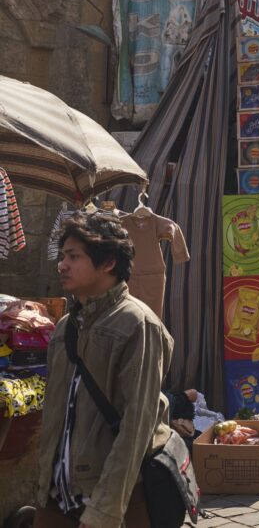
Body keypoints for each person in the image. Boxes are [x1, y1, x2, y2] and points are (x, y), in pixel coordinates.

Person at [35, 212, 173, 527]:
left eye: (74, 256)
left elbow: (136, 427)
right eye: (62, 256)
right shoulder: (65, 328)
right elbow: (55, 416)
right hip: (56, 495)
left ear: (108, 263)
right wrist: (42, 486)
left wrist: (105, 511)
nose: (62, 265)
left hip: (111, 500)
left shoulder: (138, 325)